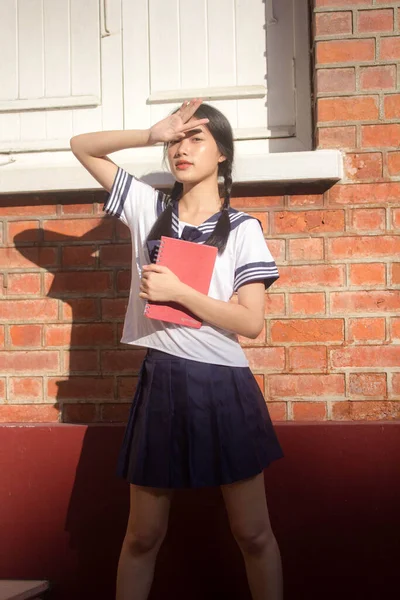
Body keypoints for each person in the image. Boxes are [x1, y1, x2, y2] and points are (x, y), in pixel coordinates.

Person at [70, 98, 284, 600]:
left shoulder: (241, 228)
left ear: (223, 154)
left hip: (223, 383)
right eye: (176, 140)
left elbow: (251, 322)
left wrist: (183, 294)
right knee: (142, 535)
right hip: (162, 380)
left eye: (196, 138)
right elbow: (82, 147)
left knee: (253, 533)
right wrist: (151, 132)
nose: (181, 148)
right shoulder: (149, 208)